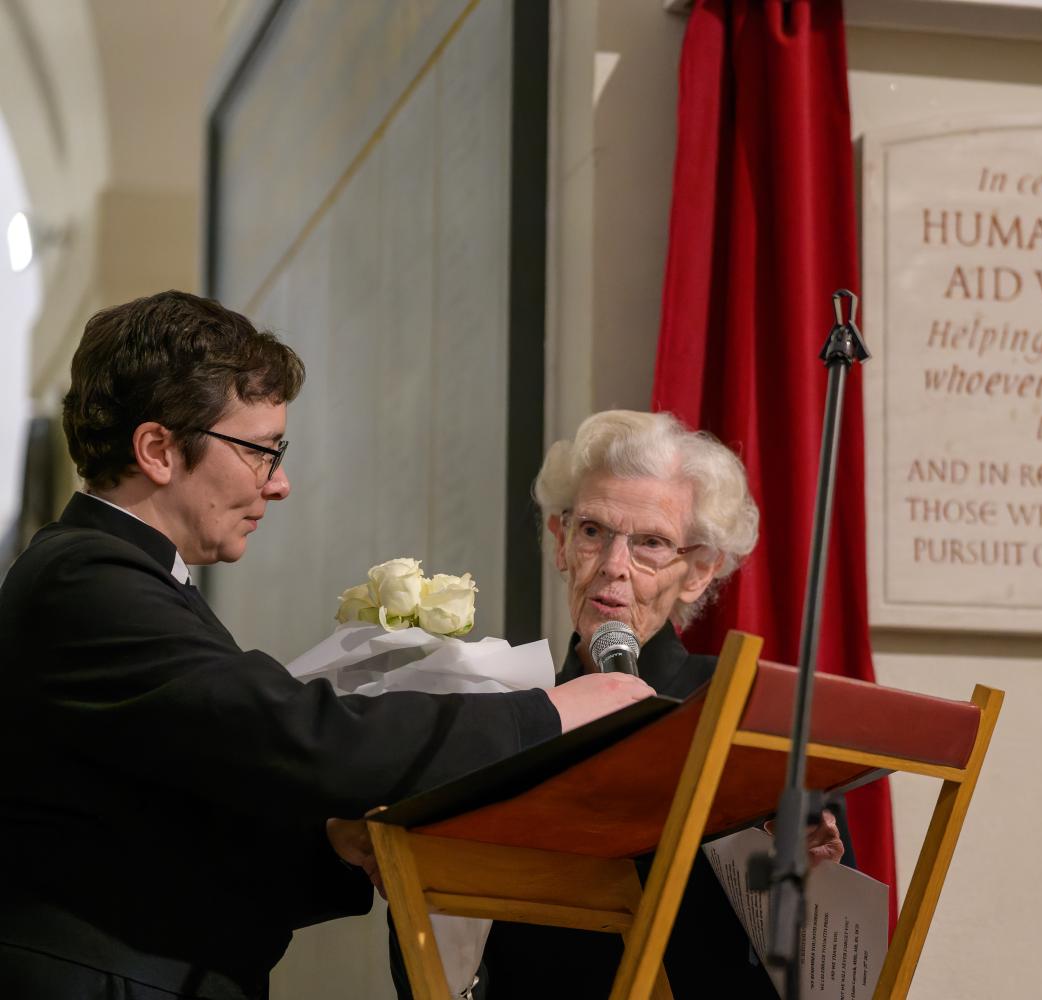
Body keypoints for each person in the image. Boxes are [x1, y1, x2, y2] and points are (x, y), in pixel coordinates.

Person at [0, 291, 652, 1000]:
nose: (278, 484)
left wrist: (332, 844)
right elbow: (292, 733)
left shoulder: (125, 576)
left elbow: (183, 817)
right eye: (260, 451)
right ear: (157, 449)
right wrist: (548, 714)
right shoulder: (85, 577)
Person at [391, 410, 847, 999]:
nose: (612, 566)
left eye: (651, 544)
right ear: (560, 543)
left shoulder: (752, 711)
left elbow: (829, 927)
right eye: (592, 531)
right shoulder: (505, 716)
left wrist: (802, 861)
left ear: (698, 572)